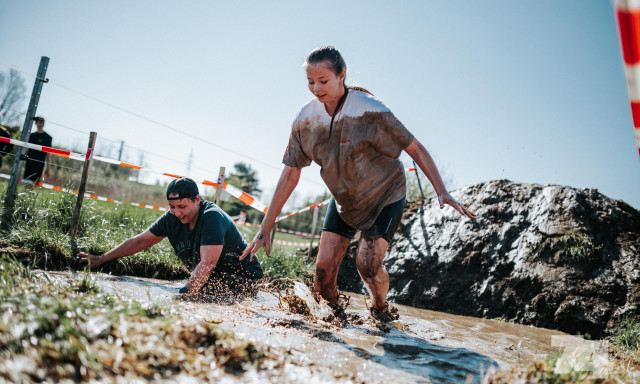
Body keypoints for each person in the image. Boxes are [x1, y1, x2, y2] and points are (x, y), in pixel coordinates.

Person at [241, 46, 476, 322]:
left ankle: (379, 308)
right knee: (322, 275)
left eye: (323, 81)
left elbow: (415, 148)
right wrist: (266, 226)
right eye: (310, 83)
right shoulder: (305, 120)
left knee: (367, 266)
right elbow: (290, 174)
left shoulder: (370, 110)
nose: (316, 89)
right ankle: (335, 322)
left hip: (384, 196)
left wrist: (442, 190)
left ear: (341, 75)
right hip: (344, 201)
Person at [78, 177, 263, 296]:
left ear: (197, 200)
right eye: (172, 207)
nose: (177, 213)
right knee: (201, 290)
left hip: (244, 278)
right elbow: (141, 241)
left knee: (202, 296)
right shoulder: (171, 218)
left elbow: (208, 263)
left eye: (182, 207)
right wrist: (101, 259)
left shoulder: (212, 217)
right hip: (211, 278)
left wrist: (181, 297)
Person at [23, 116, 52, 182]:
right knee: (26, 181)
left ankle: (30, 192)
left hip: (39, 164)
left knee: (34, 183)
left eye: (43, 122)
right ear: (35, 123)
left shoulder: (48, 137)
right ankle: (26, 192)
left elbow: (48, 154)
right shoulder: (31, 135)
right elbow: (28, 149)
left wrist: (48, 168)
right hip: (29, 162)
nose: (41, 124)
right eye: (40, 122)